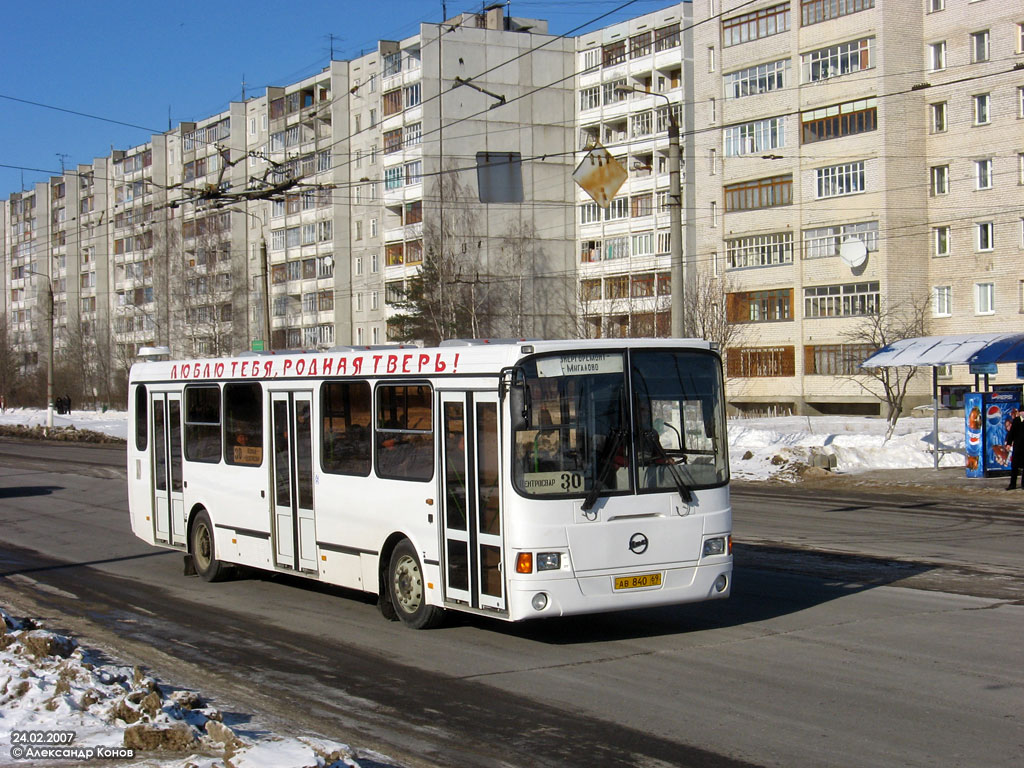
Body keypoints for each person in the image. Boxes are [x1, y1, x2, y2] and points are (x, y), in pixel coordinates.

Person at [1005, 409, 1024, 490]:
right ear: (1019, 413)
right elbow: (1011, 433)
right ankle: (1012, 484)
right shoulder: (1016, 421)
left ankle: (1023, 484)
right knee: (1014, 466)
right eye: (1022, 412)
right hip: (1017, 447)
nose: (1023, 413)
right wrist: (1009, 443)